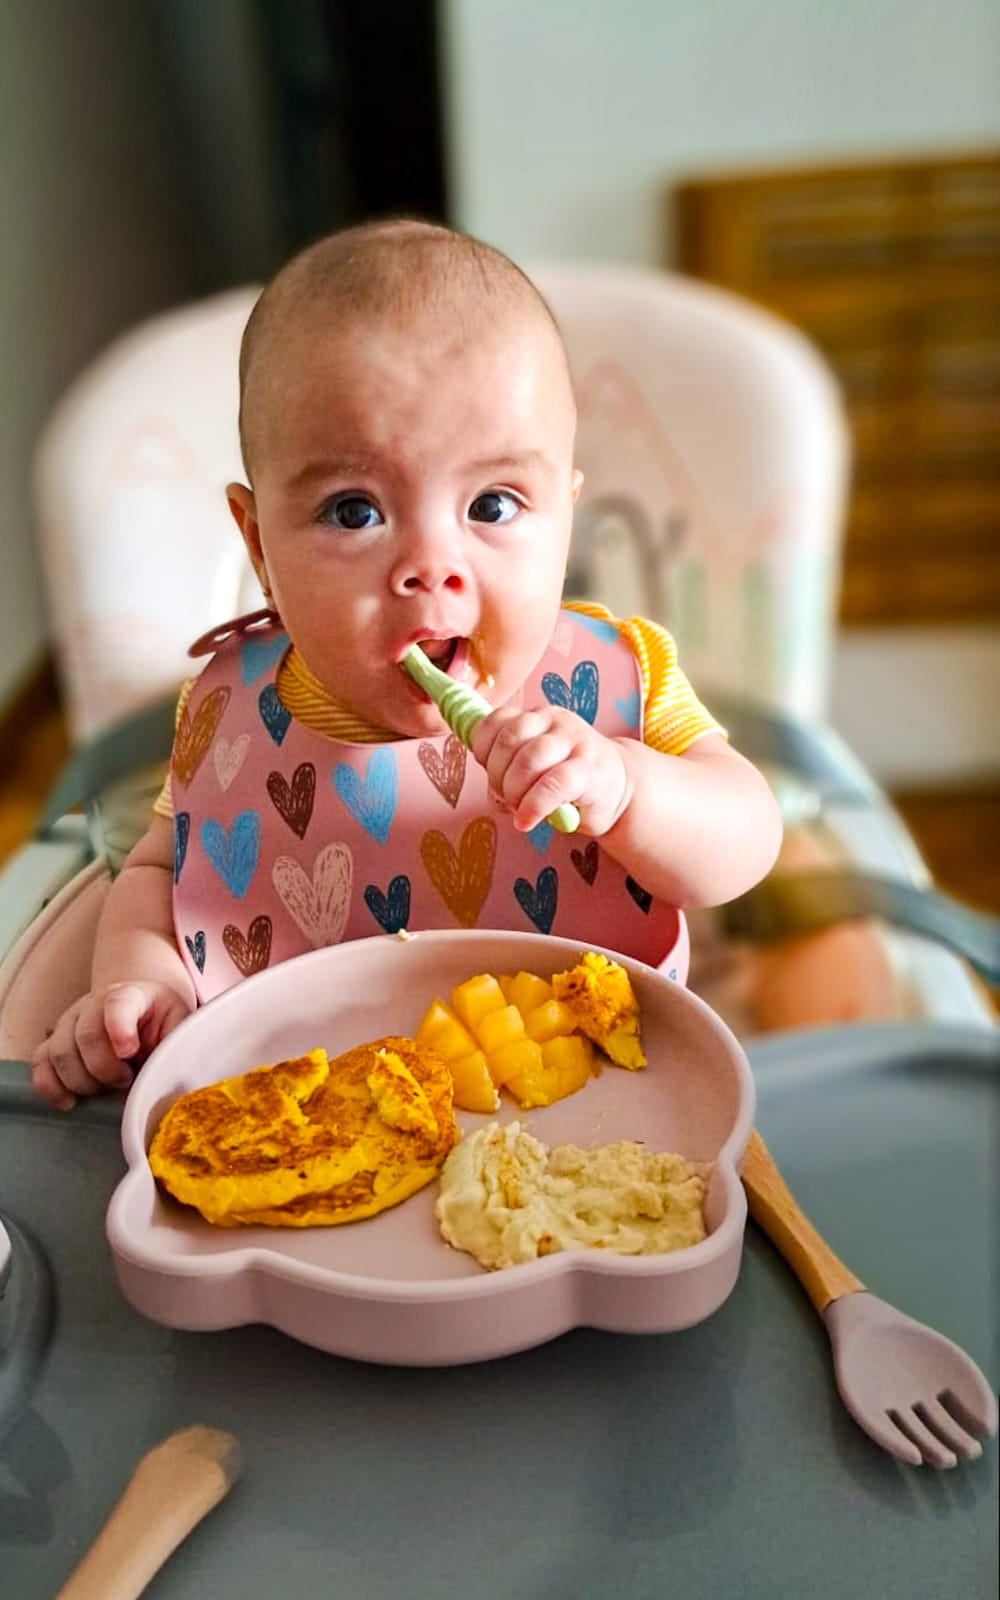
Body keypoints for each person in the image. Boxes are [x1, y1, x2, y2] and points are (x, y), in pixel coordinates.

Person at [31, 219, 782, 1109]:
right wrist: (140, 985)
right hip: (304, 1121)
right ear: (259, 544)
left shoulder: (612, 683)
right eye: (354, 512)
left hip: (589, 1116)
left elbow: (743, 841)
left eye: (494, 504)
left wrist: (626, 788)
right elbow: (162, 876)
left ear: (566, 517)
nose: (431, 564)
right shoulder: (229, 712)